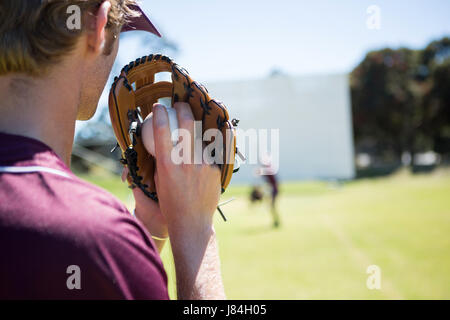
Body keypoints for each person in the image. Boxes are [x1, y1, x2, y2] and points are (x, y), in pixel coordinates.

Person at [0, 1, 225, 299]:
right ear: (98, 26)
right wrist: (197, 231)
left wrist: (148, 228)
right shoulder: (92, 240)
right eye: (119, 32)